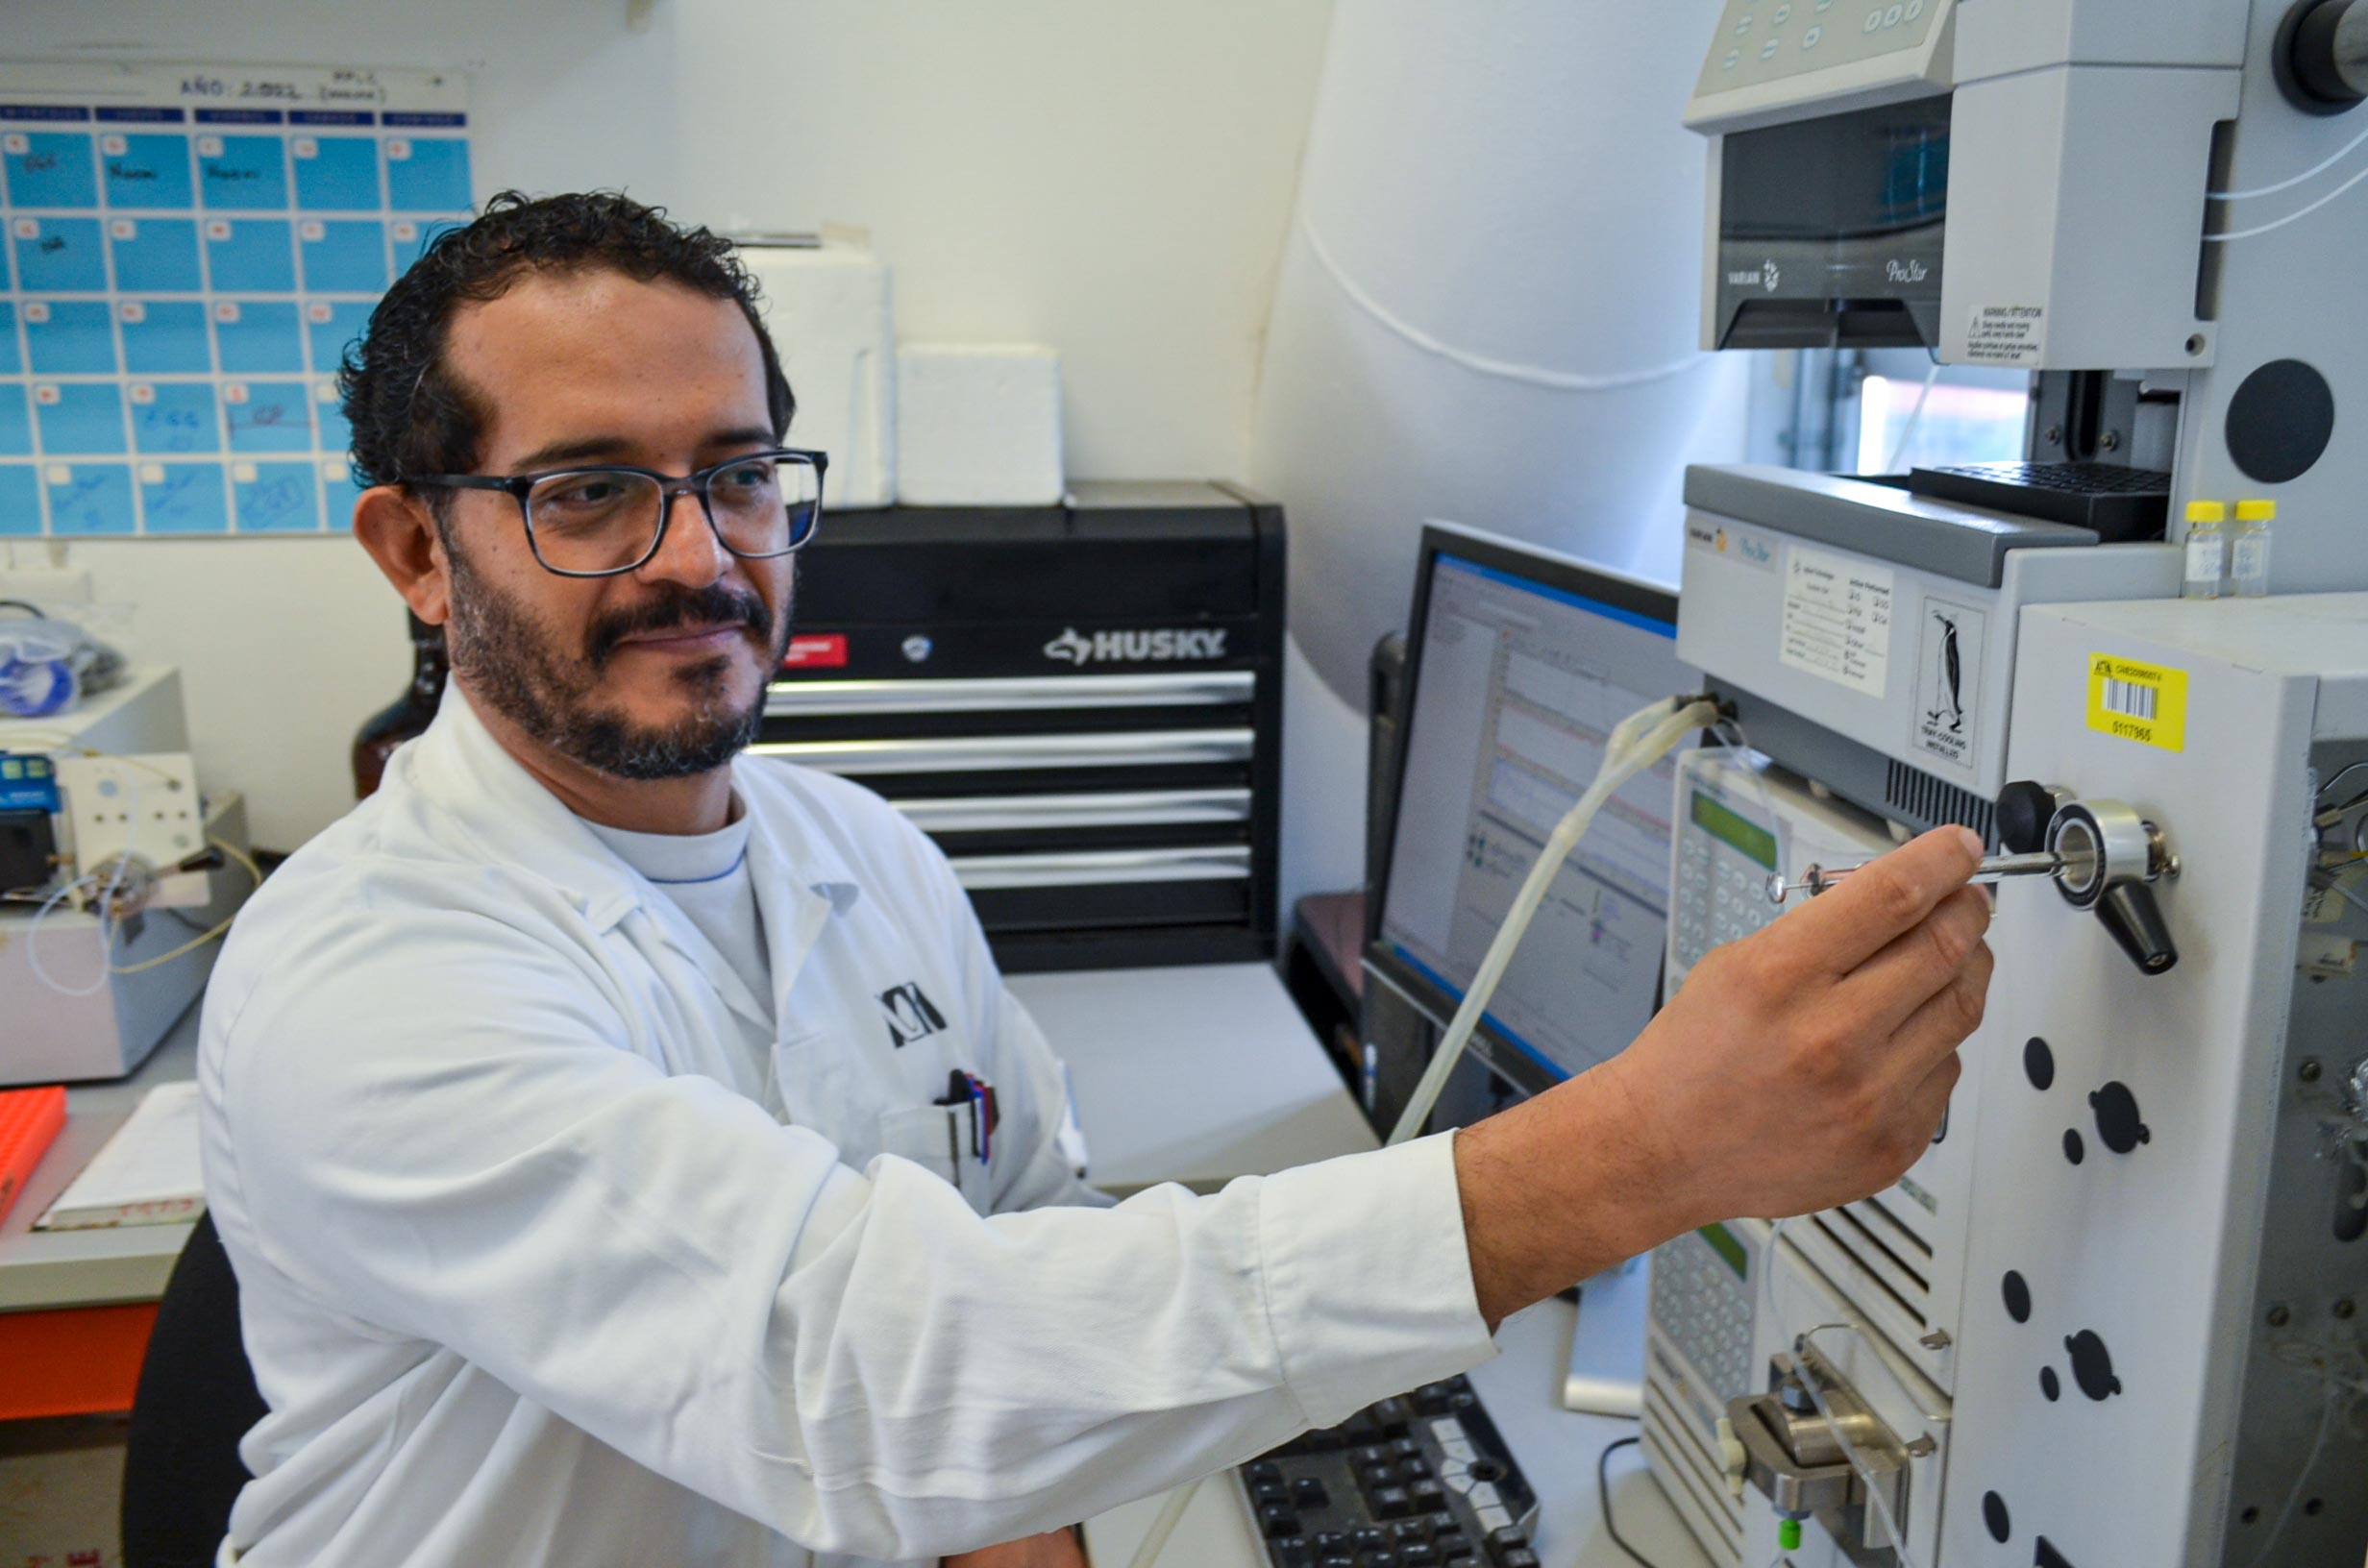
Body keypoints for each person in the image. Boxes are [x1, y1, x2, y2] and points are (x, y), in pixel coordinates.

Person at [197, 191, 1993, 1568]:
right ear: (421, 551)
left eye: (738, 476)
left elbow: (1028, 1254)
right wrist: (1644, 1151)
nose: (700, 557)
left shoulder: (862, 857)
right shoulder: (371, 980)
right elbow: (878, 1371)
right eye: (590, 493)